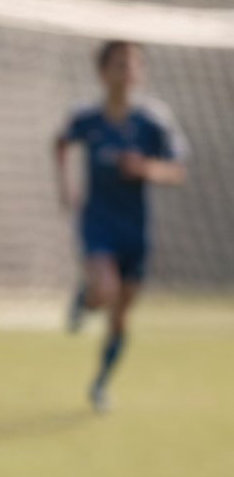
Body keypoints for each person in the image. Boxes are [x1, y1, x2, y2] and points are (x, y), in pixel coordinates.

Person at [54, 39, 187, 411]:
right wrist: (65, 186)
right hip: (98, 225)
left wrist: (145, 168)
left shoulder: (153, 122)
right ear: (103, 73)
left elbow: (177, 170)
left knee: (120, 315)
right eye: (118, 64)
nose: (126, 71)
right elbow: (61, 143)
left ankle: (100, 383)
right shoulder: (87, 119)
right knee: (107, 289)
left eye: (133, 64)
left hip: (135, 231)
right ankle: (88, 293)